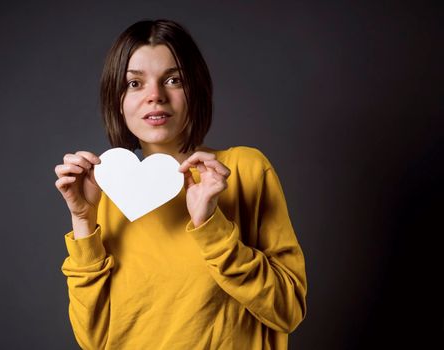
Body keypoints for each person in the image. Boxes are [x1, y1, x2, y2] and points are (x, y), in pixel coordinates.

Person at [55, 19, 307, 350]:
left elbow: (288, 312)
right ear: (116, 98)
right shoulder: (105, 188)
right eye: (134, 84)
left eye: (173, 80)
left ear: (195, 89)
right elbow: (92, 339)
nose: (155, 96)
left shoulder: (245, 170)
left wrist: (212, 227)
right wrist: (84, 220)